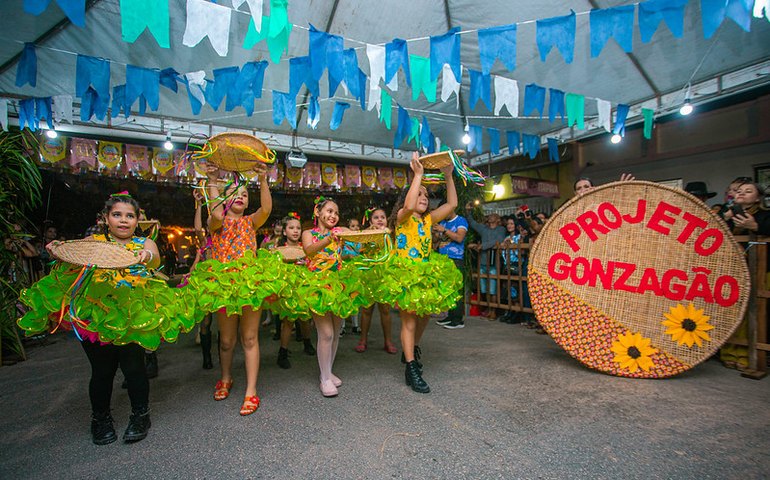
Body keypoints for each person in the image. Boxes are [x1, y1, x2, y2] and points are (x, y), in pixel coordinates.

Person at [21, 193, 165, 445]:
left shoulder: (144, 242)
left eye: (129, 216)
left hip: (133, 315)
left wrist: (146, 257)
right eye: (117, 215)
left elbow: (155, 257)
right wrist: (57, 250)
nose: (123, 220)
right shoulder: (93, 242)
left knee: (134, 369)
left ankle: (140, 416)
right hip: (95, 317)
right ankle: (100, 420)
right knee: (102, 371)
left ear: (137, 220)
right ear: (105, 218)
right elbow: (70, 254)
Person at [387, 153, 461, 393]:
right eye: (420, 193)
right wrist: (417, 176)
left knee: (425, 316)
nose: (424, 197)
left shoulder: (428, 220)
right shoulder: (402, 218)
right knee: (408, 321)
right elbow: (409, 205)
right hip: (406, 274)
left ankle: (413, 348)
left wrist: (449, 177)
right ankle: (411, 367)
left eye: (426, 195)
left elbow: (452, 205)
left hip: (425, 274)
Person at [204, 164, 272, 415]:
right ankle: (226, 377)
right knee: (226, 341)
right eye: (235, 192)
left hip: (250, 287)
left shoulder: (250, 223)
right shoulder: (216, 223)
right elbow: (217, 216)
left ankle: (251, 391)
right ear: (224, 198)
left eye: (244, 193)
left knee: (250, 338)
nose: (241, 196)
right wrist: (212, 180)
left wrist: (263, 179)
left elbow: (266, 209)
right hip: (225, 288)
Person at [301, 197, 367, 397]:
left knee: (336, 331)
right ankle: (324, 379)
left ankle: (327, 372)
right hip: (317, 286)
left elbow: (360, 237)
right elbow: (309, 250)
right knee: (326, 333)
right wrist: (329, 238)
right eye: (329, 211)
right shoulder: (308, 233)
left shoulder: (340, 232)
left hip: (338, 285)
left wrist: (374, 232)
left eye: (336, 213)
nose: (333, 216)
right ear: (318, 212)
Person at [271, 213, 316, 369]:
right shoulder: (279, 249)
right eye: (291, 228)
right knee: (288, 322)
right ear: (284, 232)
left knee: (305, 318)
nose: (295, 231)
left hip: (303, 286)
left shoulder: (306, 248)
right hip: (288, 288)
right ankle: (282, 352)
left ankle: (307, 343)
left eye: (298, 228)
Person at [355, 207, 397, 353]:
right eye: (376, 217)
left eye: (382, 217)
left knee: (385, 310)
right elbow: (359, 249)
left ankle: (388, 341)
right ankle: (363, 340)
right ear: (370, 220)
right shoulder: (366, 233)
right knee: (366, 310)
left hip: (384, 277)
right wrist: (369, 234)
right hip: (369, 275)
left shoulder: (390, 234)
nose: (380, 220)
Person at [465, 211, 506, 320]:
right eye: (490, 215)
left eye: (494, 215)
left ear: (498, 220)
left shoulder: (501, 229)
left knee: (493, 289)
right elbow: (472, 223)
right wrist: (468, 212)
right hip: (483, 262)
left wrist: (482, 246)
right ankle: (488, 309)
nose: (491, 215)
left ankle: (493, 311)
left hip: (494, 263)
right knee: (484, 289)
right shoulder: (484, 229)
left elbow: (498, 240)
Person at [433, 209, 468, 329]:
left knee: (456, 290)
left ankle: (458, 320)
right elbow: (436, 241)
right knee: (448, 290)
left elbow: (459, 238)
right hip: (444, 259)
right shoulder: (442, 222)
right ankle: (451, 316)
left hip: (456, 259)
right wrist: (435, 234)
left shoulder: (460, 220)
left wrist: (444, 230)